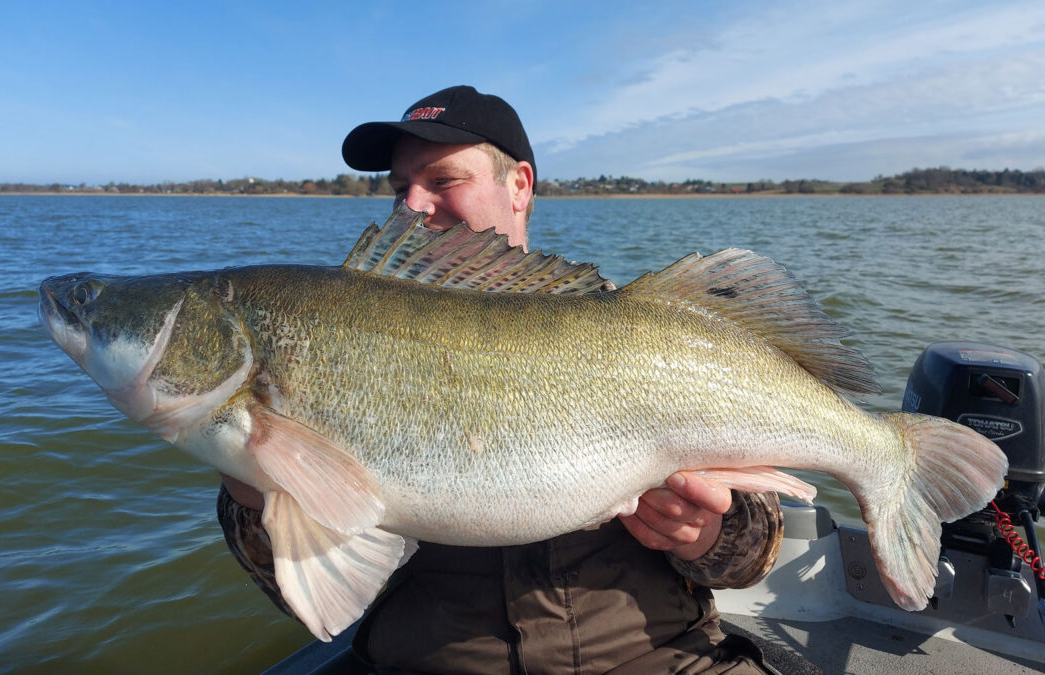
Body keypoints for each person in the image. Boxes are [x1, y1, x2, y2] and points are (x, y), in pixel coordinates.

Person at [218, 85, 784, 674]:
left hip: (658, 659)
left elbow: (752, 559)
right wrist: (260, 491)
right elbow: (295, 591)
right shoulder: (329, 336)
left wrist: (703, 533)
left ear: (519, 185)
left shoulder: (646, 334)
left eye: (442, 181)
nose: (410, 205)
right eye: (397, 187)